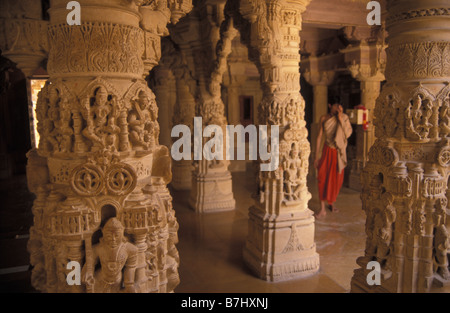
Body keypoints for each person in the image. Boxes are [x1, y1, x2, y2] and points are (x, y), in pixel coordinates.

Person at [314, 96, 353, 219]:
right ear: (330, 105)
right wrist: (316, 156)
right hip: (327, 151)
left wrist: (341, 119)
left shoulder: (344, 118)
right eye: (336, 105)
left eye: (340, 106)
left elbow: (347, 134)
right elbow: (319, 137)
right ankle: (322, 209)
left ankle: (331, 203)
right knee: (322, 177)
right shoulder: (324, 118)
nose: (338, 108)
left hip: (338, 153)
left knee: (336, 179)